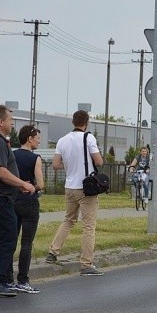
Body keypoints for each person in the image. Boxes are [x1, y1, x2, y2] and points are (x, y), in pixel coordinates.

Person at [0, 106, 36, 297]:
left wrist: (18, 185)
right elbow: (1, 171)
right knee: (7, 238)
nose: (12, 123)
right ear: (1, 122)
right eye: (10, 119)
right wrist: (23, 184)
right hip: (0, 197)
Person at [45, 110, 104, 276]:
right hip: (86, 188)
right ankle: (86, 264)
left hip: (69, 186)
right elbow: (98, 160)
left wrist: (70, 166)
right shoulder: (89, 138)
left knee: (68, 220)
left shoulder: (63, 140)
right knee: (88, 226)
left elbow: (56, 164)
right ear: (86, 123)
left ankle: (53, 252)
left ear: (73, 122)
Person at [6, 125, 45, 293]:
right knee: (27, 243)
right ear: (29, 138)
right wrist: (32, 187)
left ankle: (7, 278)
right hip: (29, 202)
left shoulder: (12, 155)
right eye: (37, 138)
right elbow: (41, 184)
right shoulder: (35, 158)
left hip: (13, 200)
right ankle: (23, 279)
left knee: (9, 241)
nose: (39, 141)